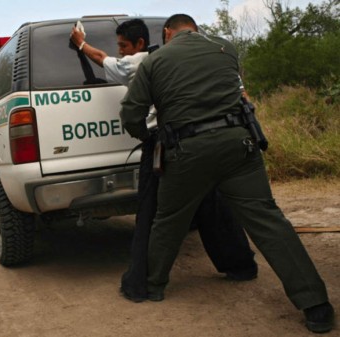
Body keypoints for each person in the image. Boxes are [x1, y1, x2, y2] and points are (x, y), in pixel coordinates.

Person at [120, 14, 335, 333]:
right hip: (239, 146)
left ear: (168, 33)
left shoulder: (155, 61)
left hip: (187, 152)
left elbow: (131, 113)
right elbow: (238, 93)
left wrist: (145, 136)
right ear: (195, 29)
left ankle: (153, 286)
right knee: (269, 221)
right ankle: (316, 305)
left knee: (168, 220)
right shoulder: (225, 48)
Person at [71, 19, 258, 302]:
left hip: (161, 144)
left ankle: (142, 284)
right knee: (214, 205)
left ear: (140, 45)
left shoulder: (138, 63)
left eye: (123, 46)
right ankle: (241, 266)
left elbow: (100, 59)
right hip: (198, 140)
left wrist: (80, 43)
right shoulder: (194, 58)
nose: (120, 52)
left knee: (152, 213)